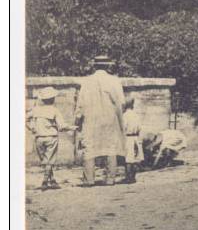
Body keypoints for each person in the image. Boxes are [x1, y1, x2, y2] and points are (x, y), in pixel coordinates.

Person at [74, 55, 126, 187]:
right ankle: (110, 179)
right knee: (110, 148)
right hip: (109, 119)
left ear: (94, 66)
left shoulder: (87, 82)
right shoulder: (115, 81)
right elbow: (121, 102)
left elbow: (80, 104)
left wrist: (78, 120)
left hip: (91, 119)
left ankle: (89, 180)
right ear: (108, 65)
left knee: (90, 148)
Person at [26, 87, 73, 190]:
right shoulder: (54, 110)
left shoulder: (35, 109)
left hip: (39, 138)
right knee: (49, 161)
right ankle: (45, 181)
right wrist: (72, 127)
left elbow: (25, 118)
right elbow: (62, 126)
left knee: (45, 160)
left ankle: (52, 180)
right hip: (51, 137)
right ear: (53, 99)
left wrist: (31, 128)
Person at [122, 96, 142, 184]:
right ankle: (133, 177)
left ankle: (128, 177)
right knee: (134, 157)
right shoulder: (136, 115)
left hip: (128, 137)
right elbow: (140, 127)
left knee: (128, 158)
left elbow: (123, 127)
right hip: (136, 137)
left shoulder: (125, 115)